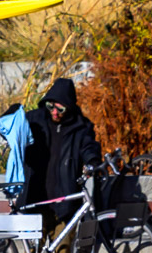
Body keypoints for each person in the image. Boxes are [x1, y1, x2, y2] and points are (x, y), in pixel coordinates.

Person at [19, 78, 102, 218]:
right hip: (35, 199)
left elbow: (89, 146)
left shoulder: (81, 127)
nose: (54, 112)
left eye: (60, 109)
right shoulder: (34, 119)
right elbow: (12, 128)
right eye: (50, 107)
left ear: (69, 108)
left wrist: (92, 160)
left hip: (65, 201)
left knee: (65, 233)